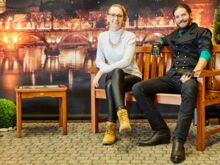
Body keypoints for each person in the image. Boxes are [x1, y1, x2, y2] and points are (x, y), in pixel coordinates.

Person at [132, 3, 212, 164]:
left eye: (183, 15)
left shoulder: (202, 32)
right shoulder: (174, 35)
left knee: (190, 91)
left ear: (190, 15)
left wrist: (195, 71)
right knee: (138, 87)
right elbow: (163, 38)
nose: (181, 19)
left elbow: (206, 51)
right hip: (172, 76)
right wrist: (157, 43)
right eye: (177, 16)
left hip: (190, 77)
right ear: (174, 19)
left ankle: (178, 141)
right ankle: (161, 131)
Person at [92, 4, 142, 145]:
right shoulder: (102, 37)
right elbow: (98, 60)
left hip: (131, 77)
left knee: (111, 82)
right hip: (115, 77)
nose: (115, 18)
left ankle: (111, 127)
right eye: (113, 15)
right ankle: (122, 114)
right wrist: (103, 68)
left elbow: (126, 62)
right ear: (107, 17)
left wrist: (102, 71)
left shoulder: (130, 36)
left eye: (119, 16)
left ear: (124, 19)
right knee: (115, 74)